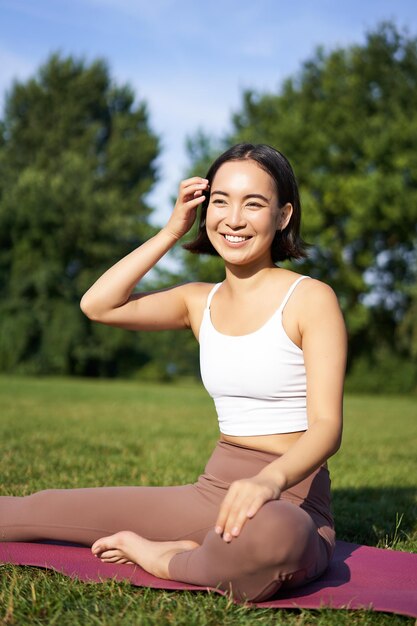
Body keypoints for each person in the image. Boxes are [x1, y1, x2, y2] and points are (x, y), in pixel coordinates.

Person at [0, 143, 347, 602]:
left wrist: (268, 481)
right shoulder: (197, 300)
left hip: (292, 501)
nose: (234, 219)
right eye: (220, 201)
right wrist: (169, 231)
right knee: (40, 510)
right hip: (211, 494)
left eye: (254, 203)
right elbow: (97, 304)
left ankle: (162, 558)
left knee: (274, 537)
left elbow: (327, 428)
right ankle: (201, 552)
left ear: (283, 216)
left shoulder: (310, 298)